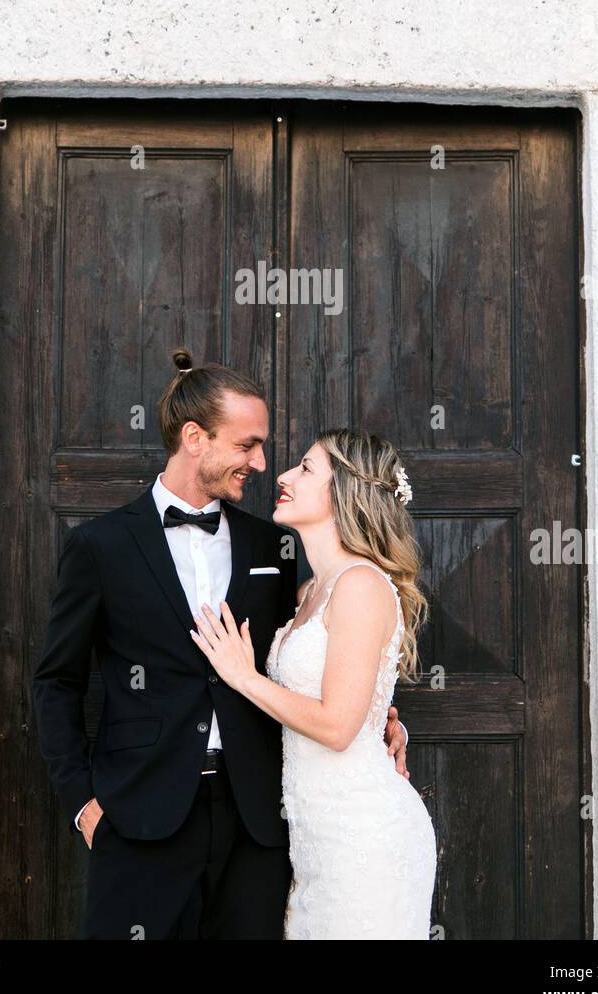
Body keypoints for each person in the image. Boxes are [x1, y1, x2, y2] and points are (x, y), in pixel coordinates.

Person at [32, 350, 410, 939]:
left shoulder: (276, 547)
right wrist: (83, 805)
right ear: (194, 438)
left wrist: (381, 716)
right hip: (139, 818)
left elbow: (330, 650)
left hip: (258, 821)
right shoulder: (99, 547)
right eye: (246, 445)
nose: (261, 463)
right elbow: (56, 682)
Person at [190, 428, 438, 939]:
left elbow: (337, 726)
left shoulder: (362, 585)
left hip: (363, 836)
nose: (282, 476)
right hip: (312, 836)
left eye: (305, 469)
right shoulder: (310, 591)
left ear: (346, 490)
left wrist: (243, 677)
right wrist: (384, 720)